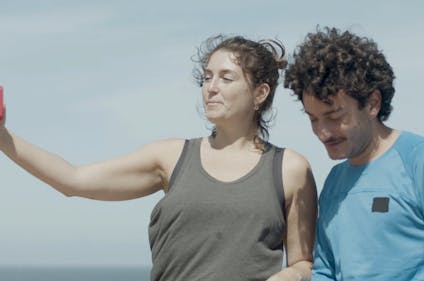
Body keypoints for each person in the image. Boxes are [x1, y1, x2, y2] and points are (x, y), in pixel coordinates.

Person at [0, 35, 318, 281]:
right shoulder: (169, 157)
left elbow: (304, 262)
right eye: (207, 77)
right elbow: (73, 180)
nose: (211, 88)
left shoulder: (290, 169)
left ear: (260, 93)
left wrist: (291, 274)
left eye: (226, 78)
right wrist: (2, 136)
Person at [284, 27, 424, 280]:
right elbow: (325, 271)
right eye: (313, 119)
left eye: (334, 117)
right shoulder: (334, 182)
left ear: (373, 103)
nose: (322, 132)